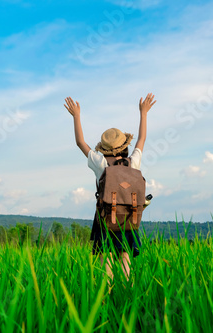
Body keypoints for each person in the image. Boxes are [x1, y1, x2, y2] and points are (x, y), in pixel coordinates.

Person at [63, 93, 156, 287]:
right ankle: (127, 292)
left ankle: (107, 294)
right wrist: (143, 113)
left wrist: (76, 116)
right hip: (129, 218)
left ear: (105, 149)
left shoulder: (101, 163)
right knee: (125, 256)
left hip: (105, 218)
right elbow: (142, 139)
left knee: (105, 255)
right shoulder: (134, 162)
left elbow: (81, 143)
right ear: (124, 147)